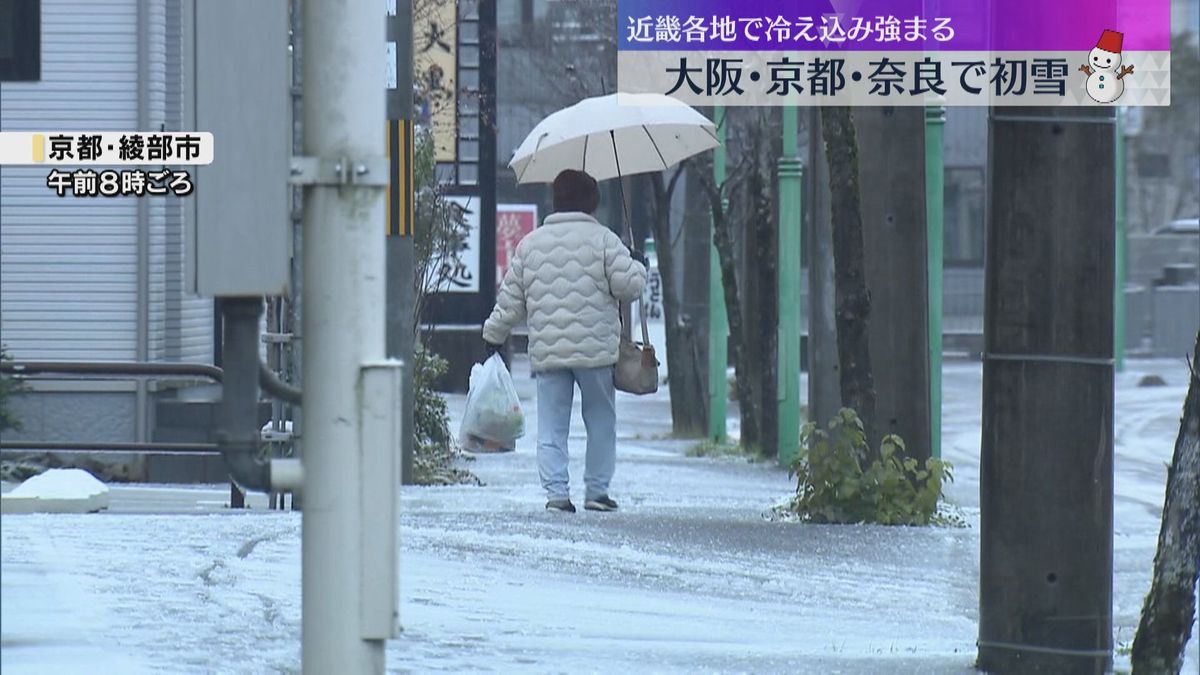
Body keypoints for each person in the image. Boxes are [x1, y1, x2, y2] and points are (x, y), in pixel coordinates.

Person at [482, 169, 647, 513]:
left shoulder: (530, 244)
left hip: (549, 352)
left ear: (555, 201)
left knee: (552, 426)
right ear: (592, 202)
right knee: (600, 420)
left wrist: (493, 334)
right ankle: (597, 492)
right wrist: (638, 265)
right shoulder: (604, 239)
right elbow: (629, 287)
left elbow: (511, 300)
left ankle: (557, 494)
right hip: (596, 352)